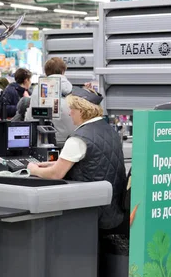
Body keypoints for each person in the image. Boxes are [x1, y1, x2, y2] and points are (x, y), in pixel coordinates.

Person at [27, 87, 126, 231]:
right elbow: (95, 160)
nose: (69, 113)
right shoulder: (109, 130)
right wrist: (57, 163)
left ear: (82, 110)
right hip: (112, 208)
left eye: (72, 108)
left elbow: (56, 175)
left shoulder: (79, 138)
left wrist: (33, 169)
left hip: (90, 212)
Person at [25, 57, 75, 147]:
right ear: (63, 71)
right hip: (70, 139)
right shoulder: (72, 90)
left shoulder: (39, 88)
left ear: (46, 72)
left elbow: (30, 117)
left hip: (45, 139)